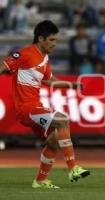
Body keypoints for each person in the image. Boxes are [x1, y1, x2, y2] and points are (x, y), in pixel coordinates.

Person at [0, 20, 90, 189]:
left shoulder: (44, 58)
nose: (55, 44)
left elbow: (49, 80)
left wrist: (71, 85)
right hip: (26, 107)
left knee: (54, 140)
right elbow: (3, 68)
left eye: (56, 40)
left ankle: (40, 181)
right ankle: (73, 168)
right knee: (62, 119)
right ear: (41, 38)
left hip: (35, 105)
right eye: (52, 40)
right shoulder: (24, 54)